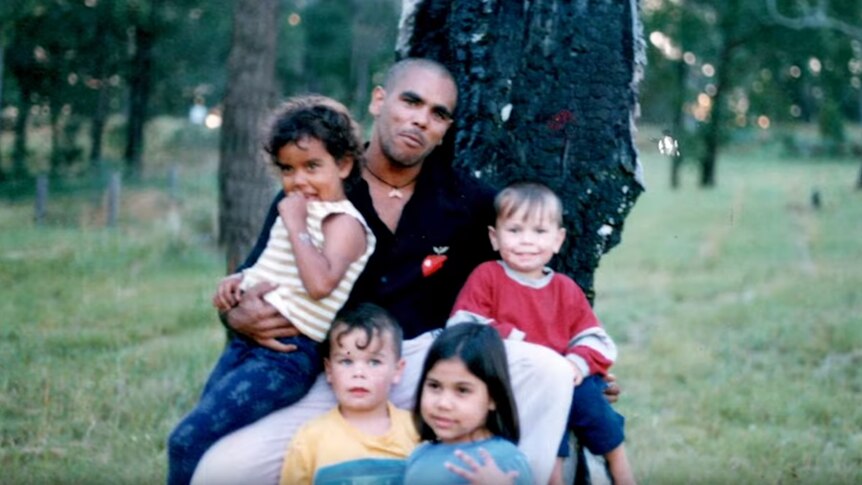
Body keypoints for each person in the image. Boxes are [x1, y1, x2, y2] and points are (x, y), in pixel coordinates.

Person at [192, 58, 613, 485]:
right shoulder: (319, 186)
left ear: (446, 129)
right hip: (339, 368)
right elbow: (250, 281)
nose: (420, 120)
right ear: (379, 100)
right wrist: (235, 315)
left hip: (431, 369)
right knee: (221, 472)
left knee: (549, 371)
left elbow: (522, 282)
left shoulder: (468, 201)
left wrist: (585, 369)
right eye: (410, 101)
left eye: (438, 114)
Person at [167, 96, 376, 485]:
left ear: (344, 164)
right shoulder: (297, 211)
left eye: (313, 166)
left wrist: (296, 223)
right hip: (247, 346)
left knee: (185, 440)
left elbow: (319, 285)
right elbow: (270, 267)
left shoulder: (344, 223)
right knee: (206, 436)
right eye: (288, 169)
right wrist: (236, 285)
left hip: (285, 359)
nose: (299, 181)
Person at [447, 182, 635, 485]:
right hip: (515, 382)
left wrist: (577, 364)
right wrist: (518, 340)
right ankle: (553, 478)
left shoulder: (564, 288)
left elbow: (595, 339)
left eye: (539, 231)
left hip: (567, 378)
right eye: (515, 230)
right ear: (495, 237)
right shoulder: (488, 277)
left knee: (590, 400)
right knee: (548, 418)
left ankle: (621, 469)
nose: (526, 242)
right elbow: (462, 327)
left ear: (558, 240)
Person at [279, 303, 417, 485]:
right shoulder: (310, 439)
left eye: (374, 362)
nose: (358, 373)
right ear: (329, 370)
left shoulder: (416, 432)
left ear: (397, 370)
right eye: (346, 361)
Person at [404, 323, 533, 485]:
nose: (443, 404)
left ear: (493, 398)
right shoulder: (421, 453)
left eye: (462, 390)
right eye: (434, 386)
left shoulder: (502, 461)